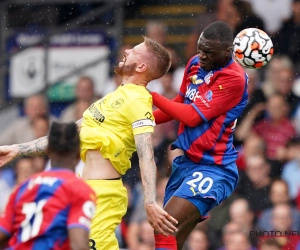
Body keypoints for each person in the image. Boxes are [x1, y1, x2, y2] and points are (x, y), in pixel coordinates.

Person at [0, 36, 178, 250]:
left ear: (141, 66)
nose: (127, 50)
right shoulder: (109, 98)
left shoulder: (139, 100)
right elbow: (67, 137)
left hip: (104, 194)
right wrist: (17, 149)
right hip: (81, 187)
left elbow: (146, 153)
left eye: (135, 50)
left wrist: (149, 201)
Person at [149, 21, 248, 249]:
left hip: (215, 167)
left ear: (227, 52)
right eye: (199, 49)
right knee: (170, 237)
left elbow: (192, 116)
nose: (201, 56)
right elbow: (179, 103)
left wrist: (149, 95)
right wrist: (144, 119)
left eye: (208, 52)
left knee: (164, 225)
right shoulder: (194, 64)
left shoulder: (235, 78)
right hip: (186, 164)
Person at [0, 122, 96, 250]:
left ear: (48, 151)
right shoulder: (80, 190)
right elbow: (79, 245)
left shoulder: (23, 187)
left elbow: (3, 234)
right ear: (79, 153)